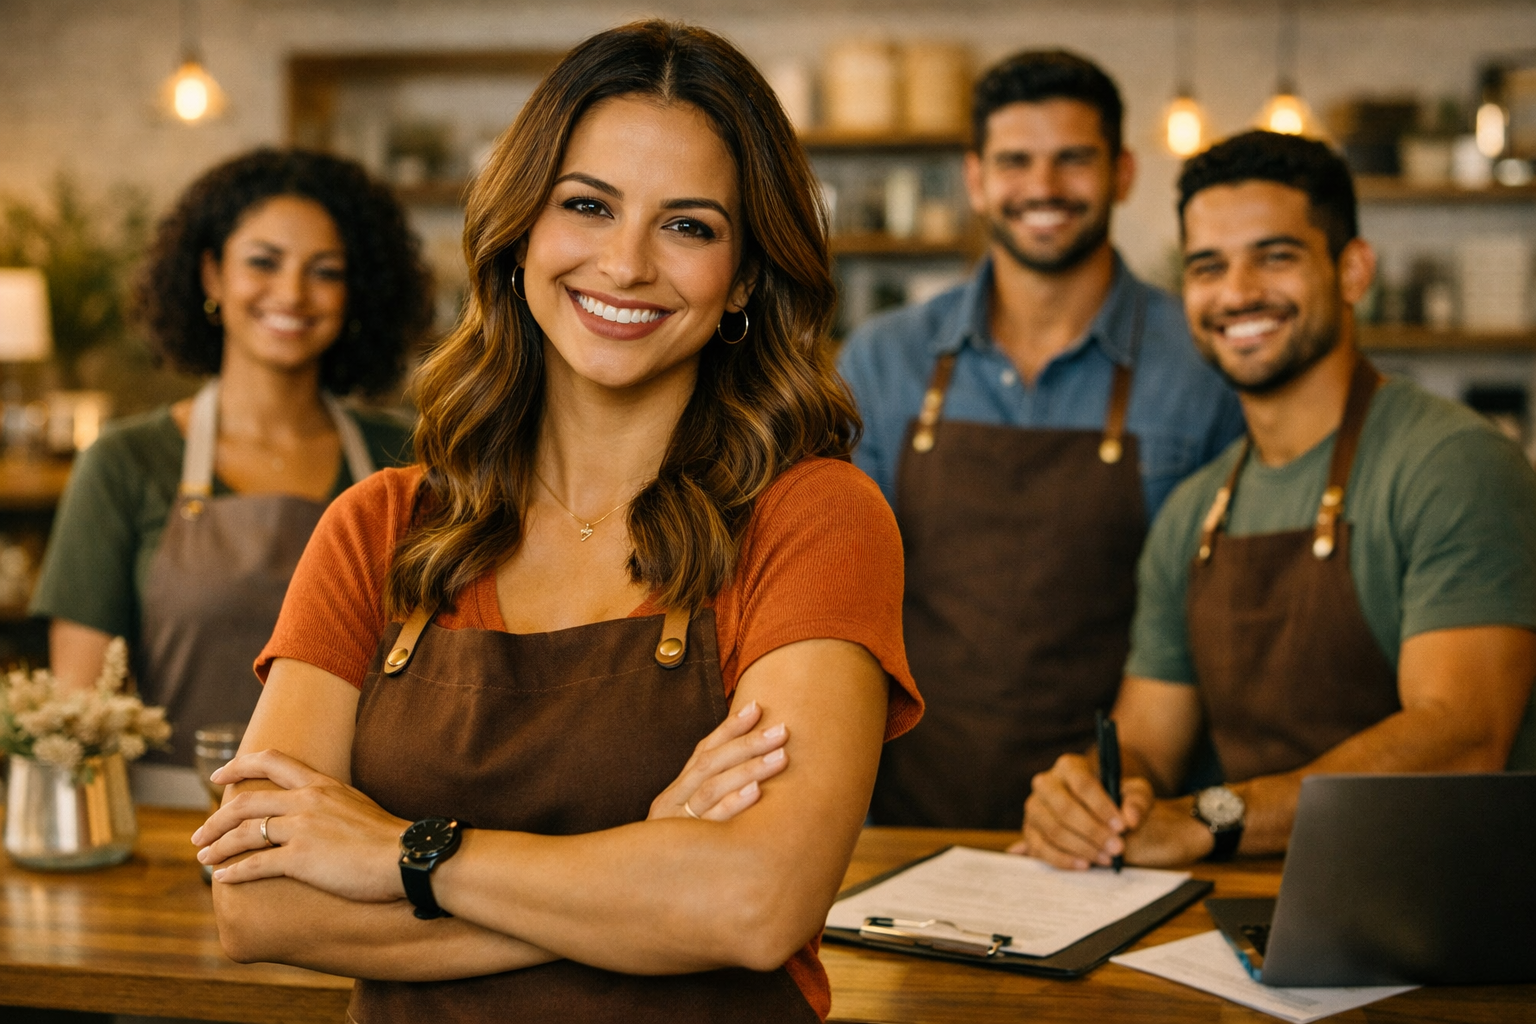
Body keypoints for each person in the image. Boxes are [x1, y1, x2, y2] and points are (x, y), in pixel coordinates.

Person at [191, 22, 921, 1023]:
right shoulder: (379, 526)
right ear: (523, 229)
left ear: (747, 274)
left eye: (690, 226)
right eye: (587, 205)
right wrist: (648, 870)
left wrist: (400, 853)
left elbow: (755, 904)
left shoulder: (817, 517)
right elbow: (260, 904)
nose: (624, 264)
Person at [1020, 131, 1536, 870]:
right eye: (1208, 267)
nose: (1237, 293)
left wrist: (1212, 818)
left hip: (1449, 922)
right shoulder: (1196, 511)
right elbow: (1149, 739)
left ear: (1354, 270)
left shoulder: (1454, 464)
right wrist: (1096, 797)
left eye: (1276, 256)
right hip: (1257, 913)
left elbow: (1461, 734)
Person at [837, 50, 1245, 829]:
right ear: (977, 179)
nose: (1044, 188)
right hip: (905, 817)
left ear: (1123, 173)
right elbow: (841, 599)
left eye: (1073, 160)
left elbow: (1214, 623)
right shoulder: (884, 360)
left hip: (1121, 816)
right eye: (1015, 161)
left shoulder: (1203, 364)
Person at [31, 149, 430, 806]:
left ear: (358, 293)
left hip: (363, 826)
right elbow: (80, 714)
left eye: (325, 271)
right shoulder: (124, 463)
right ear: (212, 274)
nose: (292, 294)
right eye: (263, 262)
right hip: (172, 826)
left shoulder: (410, 455)